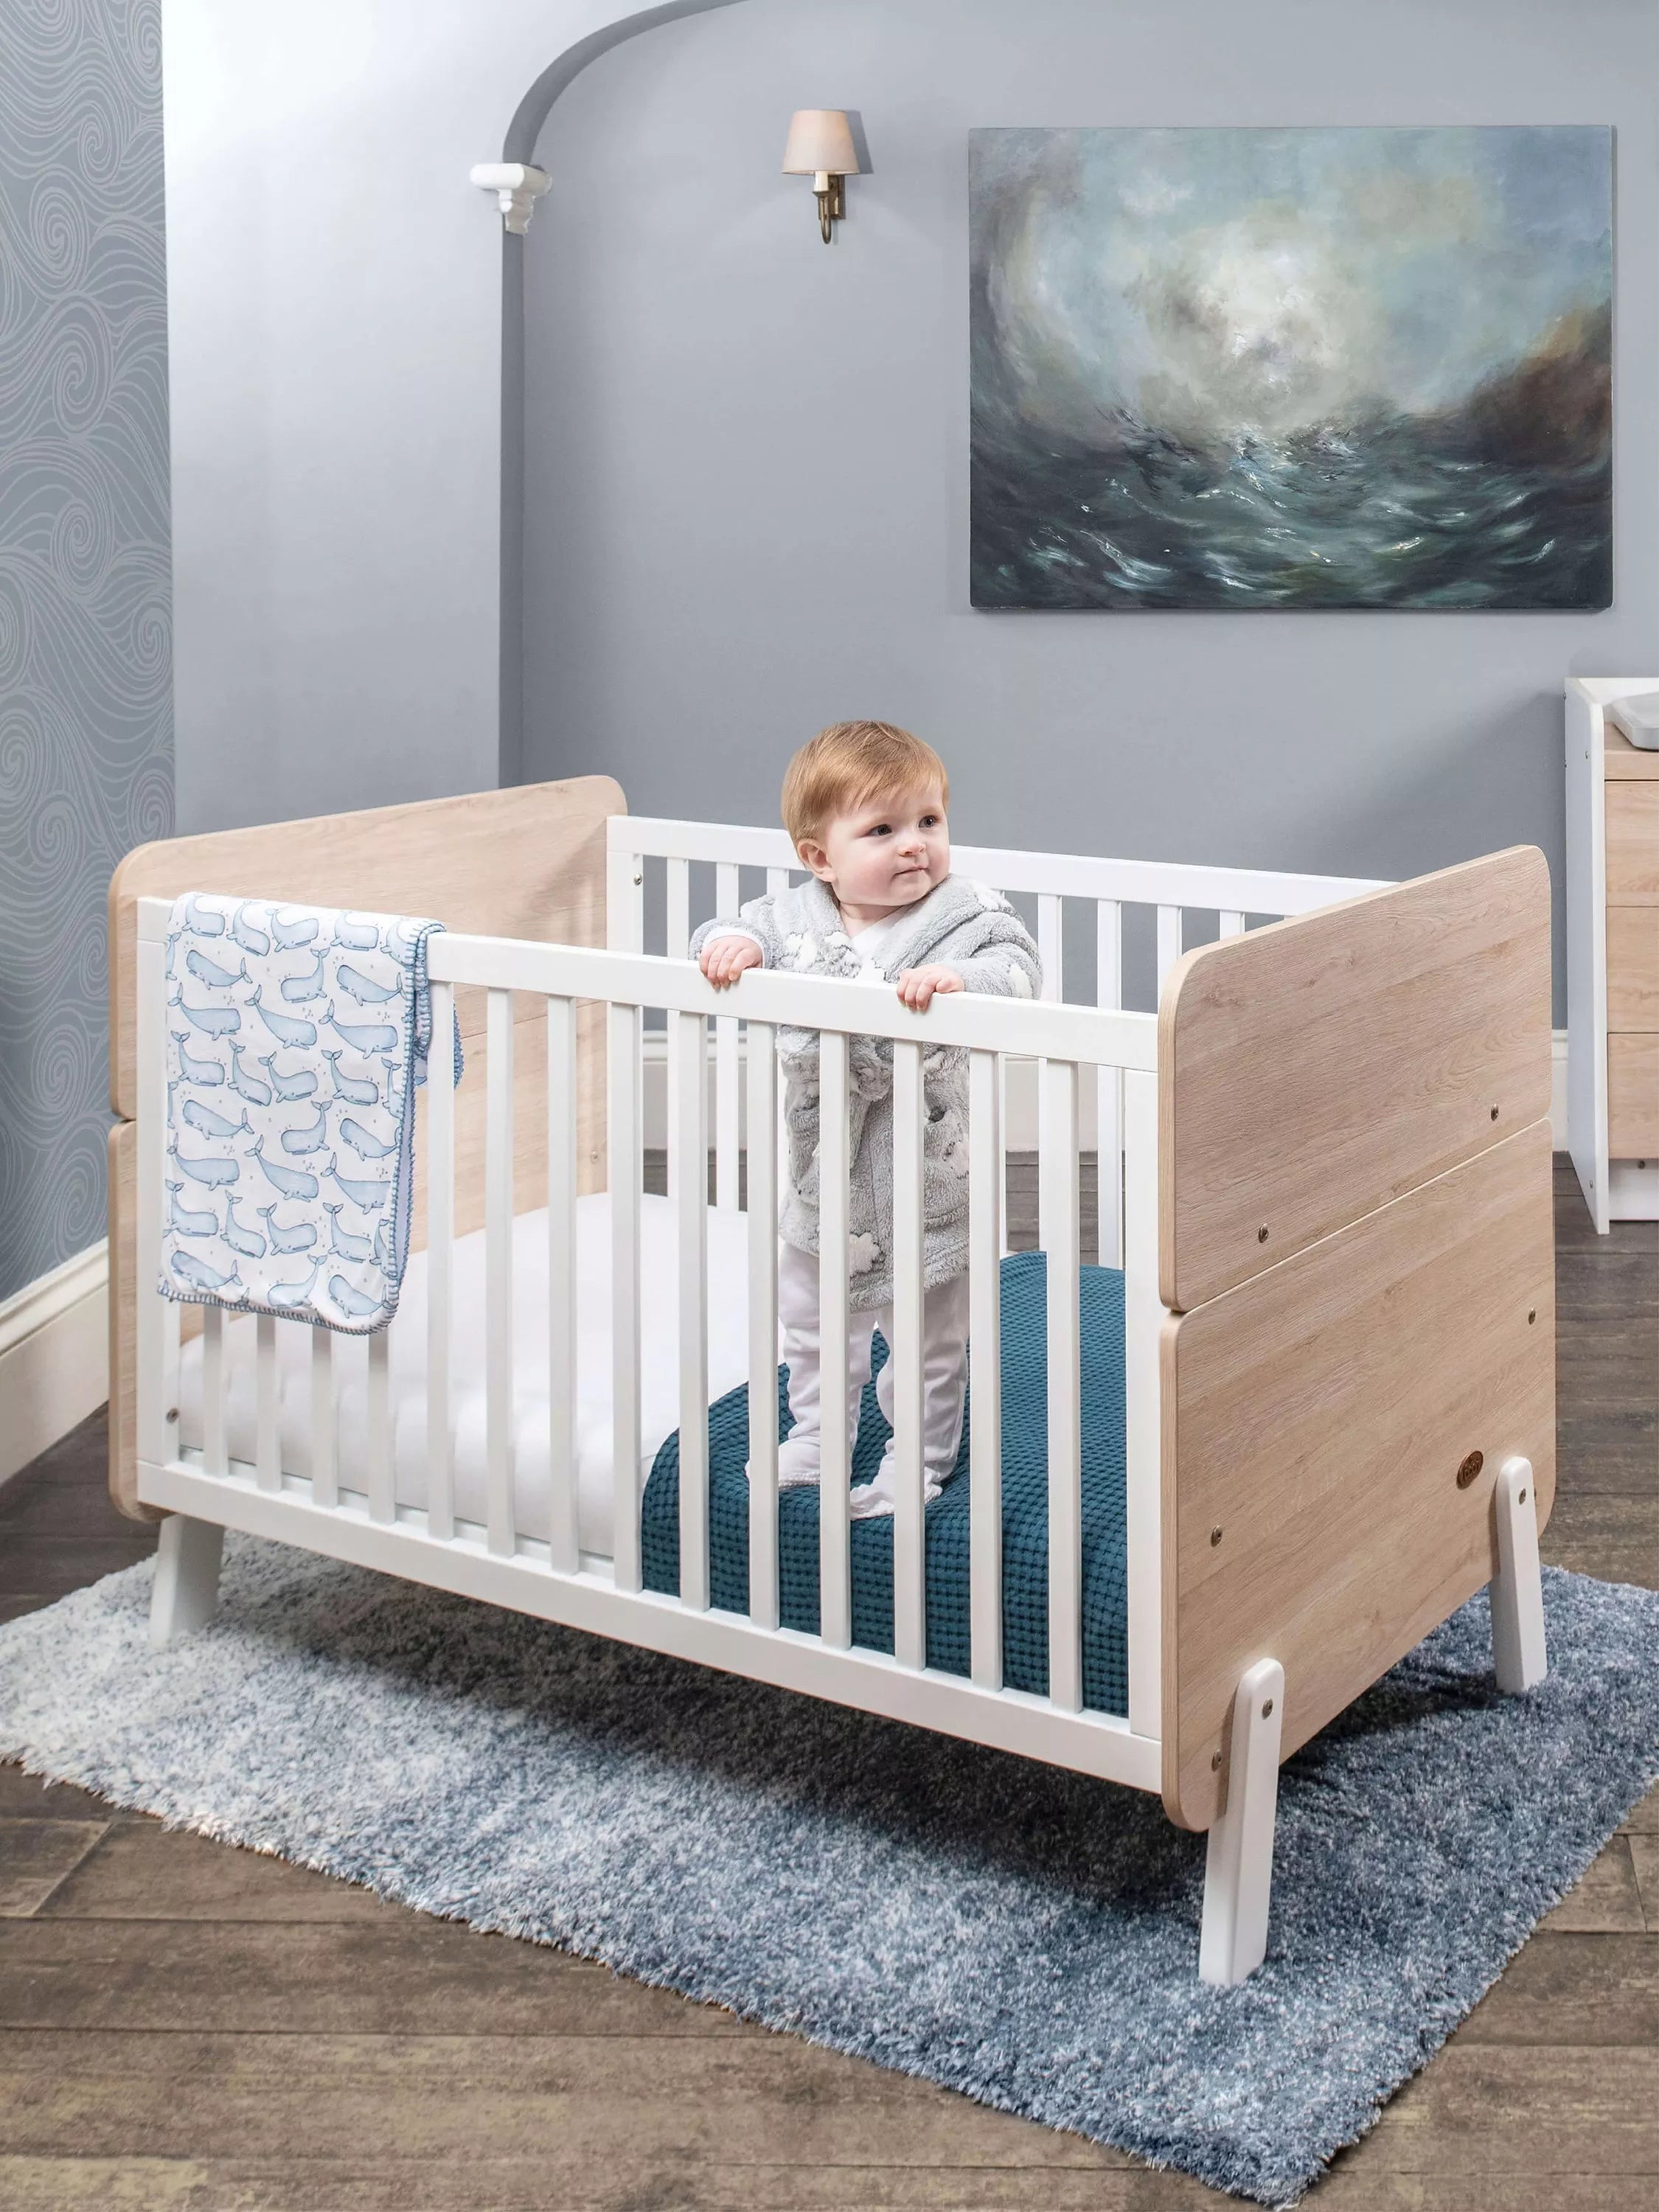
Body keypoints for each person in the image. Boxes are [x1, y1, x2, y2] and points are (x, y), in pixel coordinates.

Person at [692, 721, 1040, 1517]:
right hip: (826, 1185)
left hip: (926, 1181)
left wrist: (959, 980)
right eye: (883, 830)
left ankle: (919, 1456)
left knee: (926, 1340)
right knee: (813, 1326)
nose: (914, 844)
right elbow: (722, 932)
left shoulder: (964, 913)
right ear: (821, 858)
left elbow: (1018, 966)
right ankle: (817, 1438)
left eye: (929, 821)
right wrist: (738, 948)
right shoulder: (793, 918)